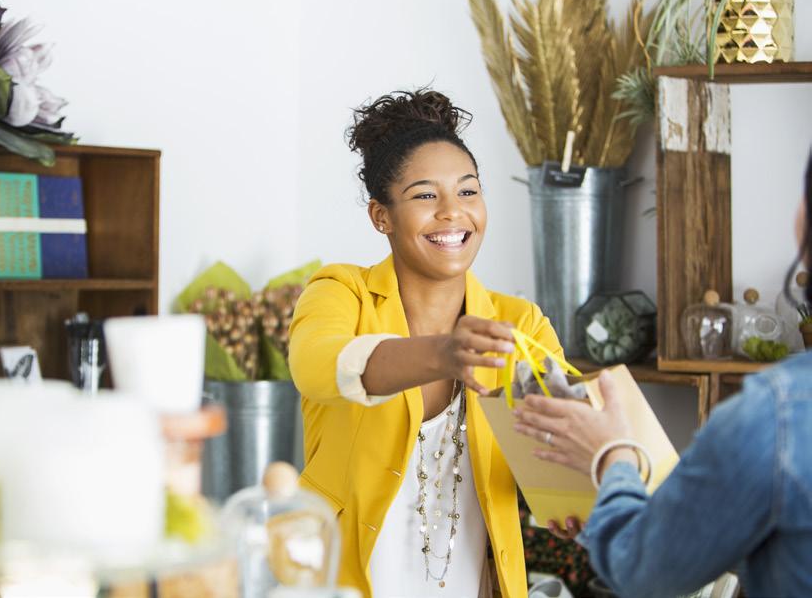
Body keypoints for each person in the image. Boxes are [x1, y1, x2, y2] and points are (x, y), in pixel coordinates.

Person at [288, 89, 563, 598]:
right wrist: (443, 353)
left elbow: (560, 447)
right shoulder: (342, 291)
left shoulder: (519, 322)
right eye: (423, 195)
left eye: (468, 191)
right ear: (381, 216)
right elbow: (317, 365)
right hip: (339, 584)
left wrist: (581, 497)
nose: (452, 213)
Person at [514, 154, 812, 597]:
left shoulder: (775, 416)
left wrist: (613, 455)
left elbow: (646, 573)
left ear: (802, 223)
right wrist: (607, 511)